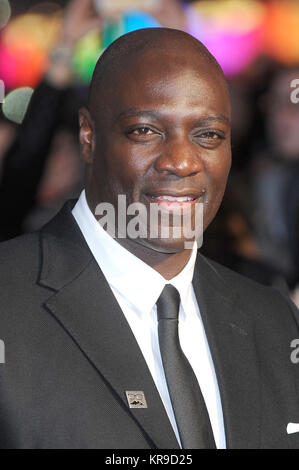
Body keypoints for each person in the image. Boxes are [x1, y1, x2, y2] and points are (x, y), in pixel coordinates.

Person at [0, 28, 298, 450]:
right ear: (88, 136)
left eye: (208, 135)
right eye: (145, 131)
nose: (181, 161)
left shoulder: (274, 318)